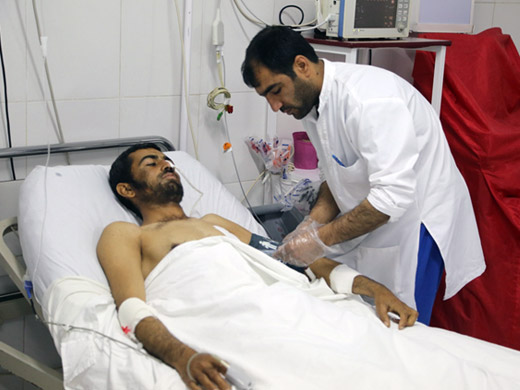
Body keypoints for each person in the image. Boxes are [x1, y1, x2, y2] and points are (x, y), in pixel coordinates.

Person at [97, 143, 418, 390]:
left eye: (167, 161)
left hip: (283, 304)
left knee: (402, 361)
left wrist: (371, 287)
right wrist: (183, 356)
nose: (166, 165)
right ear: (127, 190)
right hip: (232, 320)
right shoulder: (126, 234)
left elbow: (289, 259)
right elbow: (131, 308)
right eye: (151, 163)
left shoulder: (214, 223)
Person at [241, 26, 486, 325]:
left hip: (416, 223)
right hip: (377, 217)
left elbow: (393, 197)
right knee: (366, 318)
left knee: (404, 325)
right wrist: (311, 222)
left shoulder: (369, 101)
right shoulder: (311, 107)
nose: (275, 106)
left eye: (275, 91)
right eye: (266, 97)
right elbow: (338, 172)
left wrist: (319, 239)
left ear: (301, 66)